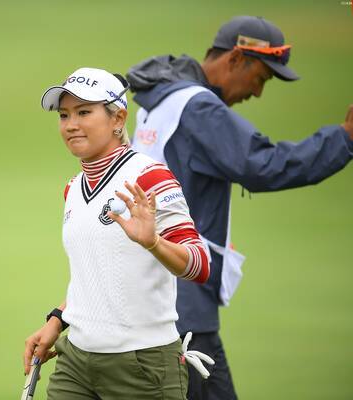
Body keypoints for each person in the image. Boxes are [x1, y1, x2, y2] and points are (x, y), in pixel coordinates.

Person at [126, 15, 353, 400]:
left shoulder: (159, 99)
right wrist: (344, 139)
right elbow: (264, 165)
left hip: (150, 291)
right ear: (235, 59)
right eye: (260, 78)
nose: (258, 93)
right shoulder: (198, 108)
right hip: (182, 299)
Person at [22, 67, 212, 399]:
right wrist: (57, 320)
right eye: (64, 115)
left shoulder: (149, 177)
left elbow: (199, 265)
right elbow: (94, 276)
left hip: (142, 365)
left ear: (118, 118)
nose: (71, 124)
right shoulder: (73, 188)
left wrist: (153, 243)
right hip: (76, 361)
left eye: (84, 112)